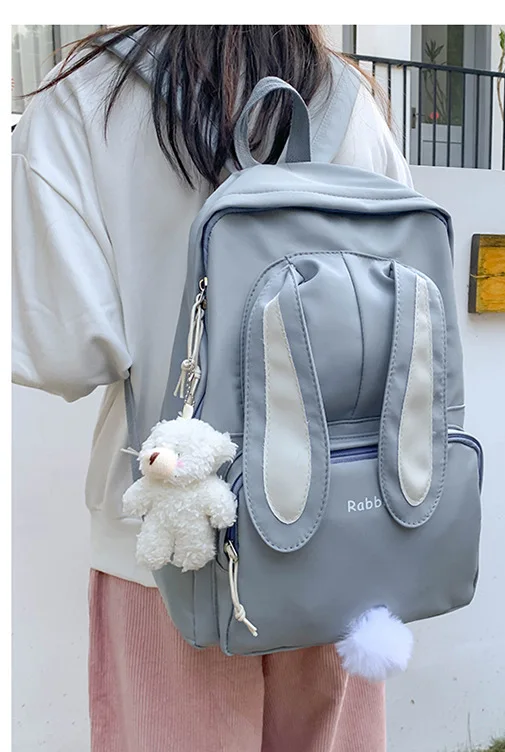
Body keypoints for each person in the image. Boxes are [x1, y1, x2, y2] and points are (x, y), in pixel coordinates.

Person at [12, 25, 413, 752]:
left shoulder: (83, 93)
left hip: (168, 545)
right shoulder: (351, 99)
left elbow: (66, 353)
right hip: (340, 528)